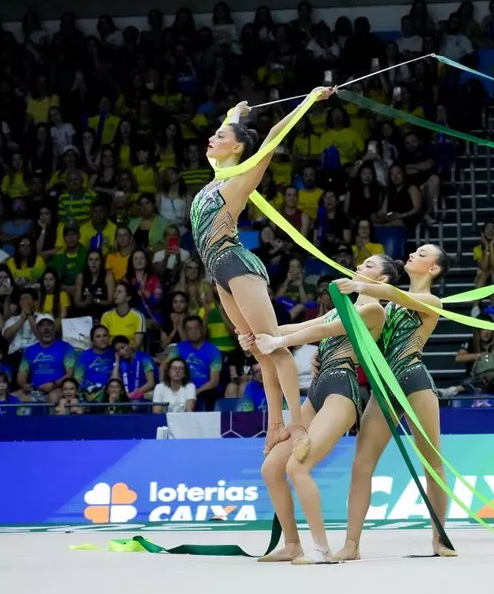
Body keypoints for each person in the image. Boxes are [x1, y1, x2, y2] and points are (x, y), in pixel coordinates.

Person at [195, 88, 332, 458]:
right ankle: (274, 426)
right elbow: (230, 129)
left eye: (221, 136)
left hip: (236, 263)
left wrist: (308, 101)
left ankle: (298, 424)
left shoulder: (239, 181)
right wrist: (234, 114)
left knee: (273, 343)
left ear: (238, 149)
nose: (213, 137)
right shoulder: (218, 176)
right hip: (218, 272)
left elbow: (271, 138)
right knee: (258, 351)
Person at [238, 254, 395, 564]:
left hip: (342, 389)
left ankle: (321, 548)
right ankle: (292, 544)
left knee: (298, 467)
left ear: (383, 280)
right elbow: (304, 324)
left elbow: (325, 331)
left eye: (369, 265)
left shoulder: (374, 310)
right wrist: (258, 335)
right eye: (361, 263)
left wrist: (278, 340)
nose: (359, 266)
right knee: (271, 468)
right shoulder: (341, 306)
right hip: (317, 391)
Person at [331, 244, 456, 560]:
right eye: (416, 250)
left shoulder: (431, 301)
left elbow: (404, 297)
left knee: (433, 462)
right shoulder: (384, 302)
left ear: (434, 270)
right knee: (361, 464)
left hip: (414, 380)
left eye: (423, 253)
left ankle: (439, 538)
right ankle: (351, 545)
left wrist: (362, 284)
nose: (414, 253)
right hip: (383, 388)